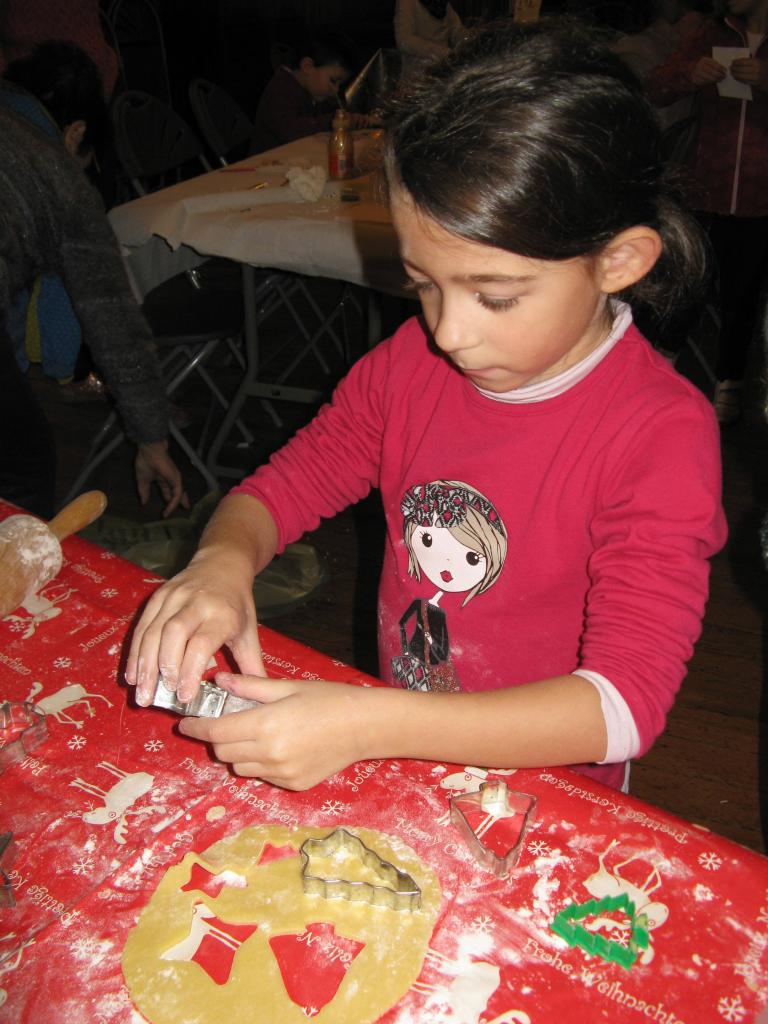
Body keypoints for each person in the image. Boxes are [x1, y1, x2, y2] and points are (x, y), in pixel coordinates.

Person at [126, 19, 726, 794]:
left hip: (543, 789)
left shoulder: (659, 433)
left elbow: (623, 705)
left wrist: (369, 723)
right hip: (395, 742)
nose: (449, 331)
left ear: (619, 261)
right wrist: (222, 559)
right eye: (424, 282)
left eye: (496, 296)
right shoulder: (413, 362)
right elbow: (292, 480)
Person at [0, 102, 187, 520]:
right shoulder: (55, 171)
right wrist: (152, 438)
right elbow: (113, 320)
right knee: (23, 465)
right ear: (76, 134)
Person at [646, 0, 768, 424]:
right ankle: (656, 381)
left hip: (759, 196)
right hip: (705, 189)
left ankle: (729, 389)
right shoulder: (713, 34)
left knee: (743, 296)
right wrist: (689, 75)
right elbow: (656, 87)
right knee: (685, 284)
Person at [249, 29, 373, 155]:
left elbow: (336, 107)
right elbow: (292, 131)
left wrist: (351, 116)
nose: (336, 89)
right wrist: (333, 122)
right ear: (307, 67)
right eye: (333, 81)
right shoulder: (280, 90)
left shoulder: (312, 89)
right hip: (263, 167)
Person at [394, 0, 464, 79]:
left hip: (442, 73)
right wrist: (443, 52)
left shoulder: (443, 4)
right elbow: (404, 40)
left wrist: (473, 38)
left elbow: (458, 32)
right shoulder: (407, 2)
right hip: (417, 78)